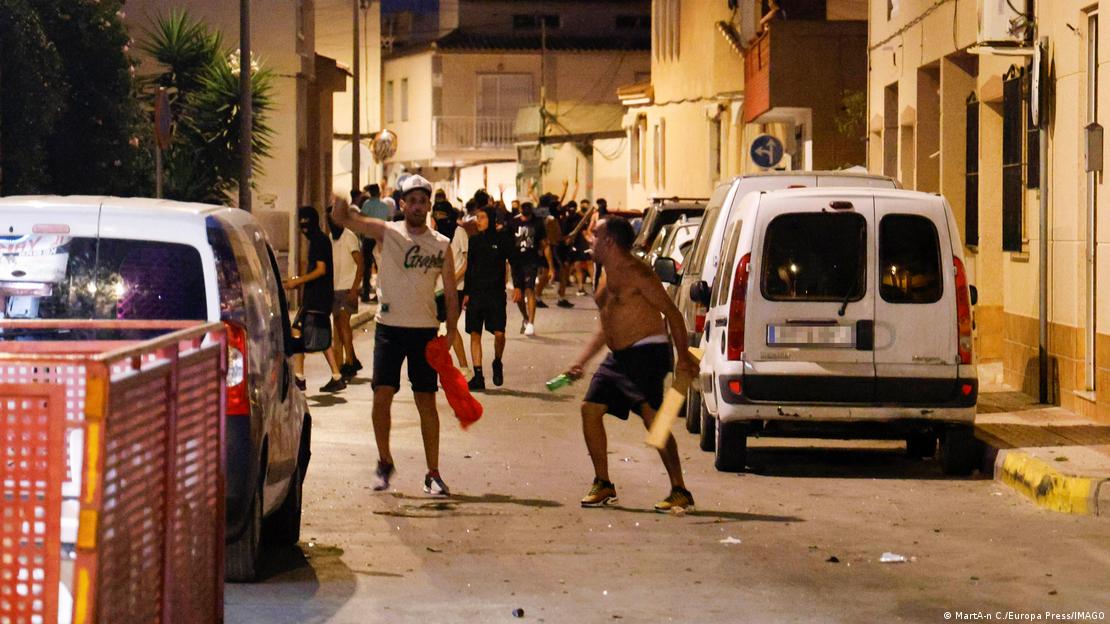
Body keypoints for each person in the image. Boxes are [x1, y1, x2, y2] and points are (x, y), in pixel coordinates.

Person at [332, 174, 459, 496]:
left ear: (429, 205)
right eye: (411, 201)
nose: (417, 206)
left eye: (422, 201)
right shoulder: (387, 233)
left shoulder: (442, 244)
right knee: (382, 395)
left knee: (426, 401)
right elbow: (342, 218)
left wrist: (452, 331)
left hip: (426, 331)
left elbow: (451, 292)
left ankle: (433, 472)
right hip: (389, 329)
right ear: (402, 204)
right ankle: (384, 460)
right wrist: (341, 199)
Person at [565, 216, 698, 513]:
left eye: (595, 234)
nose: (590, 239)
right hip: (619, 357)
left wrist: (685, 357)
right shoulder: (606, 275)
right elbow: (607, 326)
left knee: (655, 421)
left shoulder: (637, 273)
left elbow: (673, 314)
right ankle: (603, 483)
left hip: (647, 353)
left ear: (609, 241)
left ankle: (679, 490)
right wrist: (581, 361)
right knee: (590, 409)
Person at [285, 206, 347, 393]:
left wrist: (299, 281)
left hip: (316, 299)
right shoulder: (319, 240)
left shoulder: (318, 241)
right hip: (318, 298)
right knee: (319, 336)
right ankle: (334, 376)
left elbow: (321, 270)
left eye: (306, 222)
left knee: (297, 331)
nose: (303, 227)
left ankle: (300, 377)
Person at [463, 206, 514, 390]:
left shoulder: (502, 239)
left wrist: (519, 287)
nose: (479, 221)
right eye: (477, 217)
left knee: (499, 333)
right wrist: (466, 293)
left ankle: (497, 362)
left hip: (495, 295)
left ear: (491, 219)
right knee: (475, 333)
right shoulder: (474, 241)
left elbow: (514, 261)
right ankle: (478, 376)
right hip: (476, 294)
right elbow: (470, 268)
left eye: (482, 217)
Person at [327, 200, 364, 380]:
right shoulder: (331, 237)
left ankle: (350, 361)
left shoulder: (349, 237)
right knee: (337, 328)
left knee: (343, 325)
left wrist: (355, 288)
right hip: (334, 287)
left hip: (347, 287)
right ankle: (343, 363)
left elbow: (360, 263)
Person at [510, 201, 545, 337]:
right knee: (518, 294)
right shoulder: (513, 223)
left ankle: (531, 323)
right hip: (516, 262)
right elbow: (508, 243)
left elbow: (544, 243)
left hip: (531, 261)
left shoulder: (538, 223)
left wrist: (549, 265)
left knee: (530, 290)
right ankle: (525, 317)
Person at [360, 184, 392, 302]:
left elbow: (362, 220)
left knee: (367, 267)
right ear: (378, 193)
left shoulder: (367, 205)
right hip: (381, 238)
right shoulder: (384, 205)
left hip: (369, 237)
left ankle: (366, 293)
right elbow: (388, 220)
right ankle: (382, 293)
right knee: (382, 266)